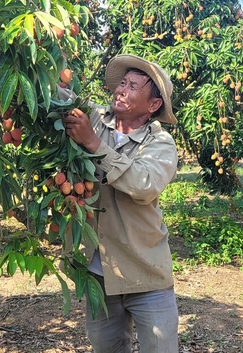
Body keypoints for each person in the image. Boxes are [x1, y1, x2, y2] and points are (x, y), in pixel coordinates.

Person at [62, 53, 179, 353]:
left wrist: (93, 144)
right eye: (122, 83)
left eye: (133, 86)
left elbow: (145, 185)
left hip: (146, 271)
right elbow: (60, 97)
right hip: (100, 274)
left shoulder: (160, 143)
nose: (121, 89)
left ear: (153, 105)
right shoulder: (96, 119)